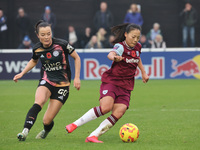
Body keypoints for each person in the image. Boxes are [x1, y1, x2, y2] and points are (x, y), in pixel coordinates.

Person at [66, 23, 149, 143]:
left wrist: (143, 72)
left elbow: (138, 57)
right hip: (112, 81)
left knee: (119, 112)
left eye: (138, 37)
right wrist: (114, 58)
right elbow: (111, 54)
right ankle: (74, 124)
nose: (135, 40)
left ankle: (93, 135)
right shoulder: (120, 46)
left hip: (126, 86)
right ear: (126, 34)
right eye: (133, 37)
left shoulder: (138, 47)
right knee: (105, 108)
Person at [13, 20, 81, 141]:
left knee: (47, 120)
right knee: (38, 102)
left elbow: (76, 57)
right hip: (47, 80)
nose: (46, 37)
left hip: (63, 85)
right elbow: (34, 60)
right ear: (38, 35)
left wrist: (76, 77)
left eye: (48, 34)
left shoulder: (62, 44)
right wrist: (22, 73)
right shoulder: (37, 48)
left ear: (51, 33)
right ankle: (25, 131)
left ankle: (46, 130)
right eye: (43, 35)